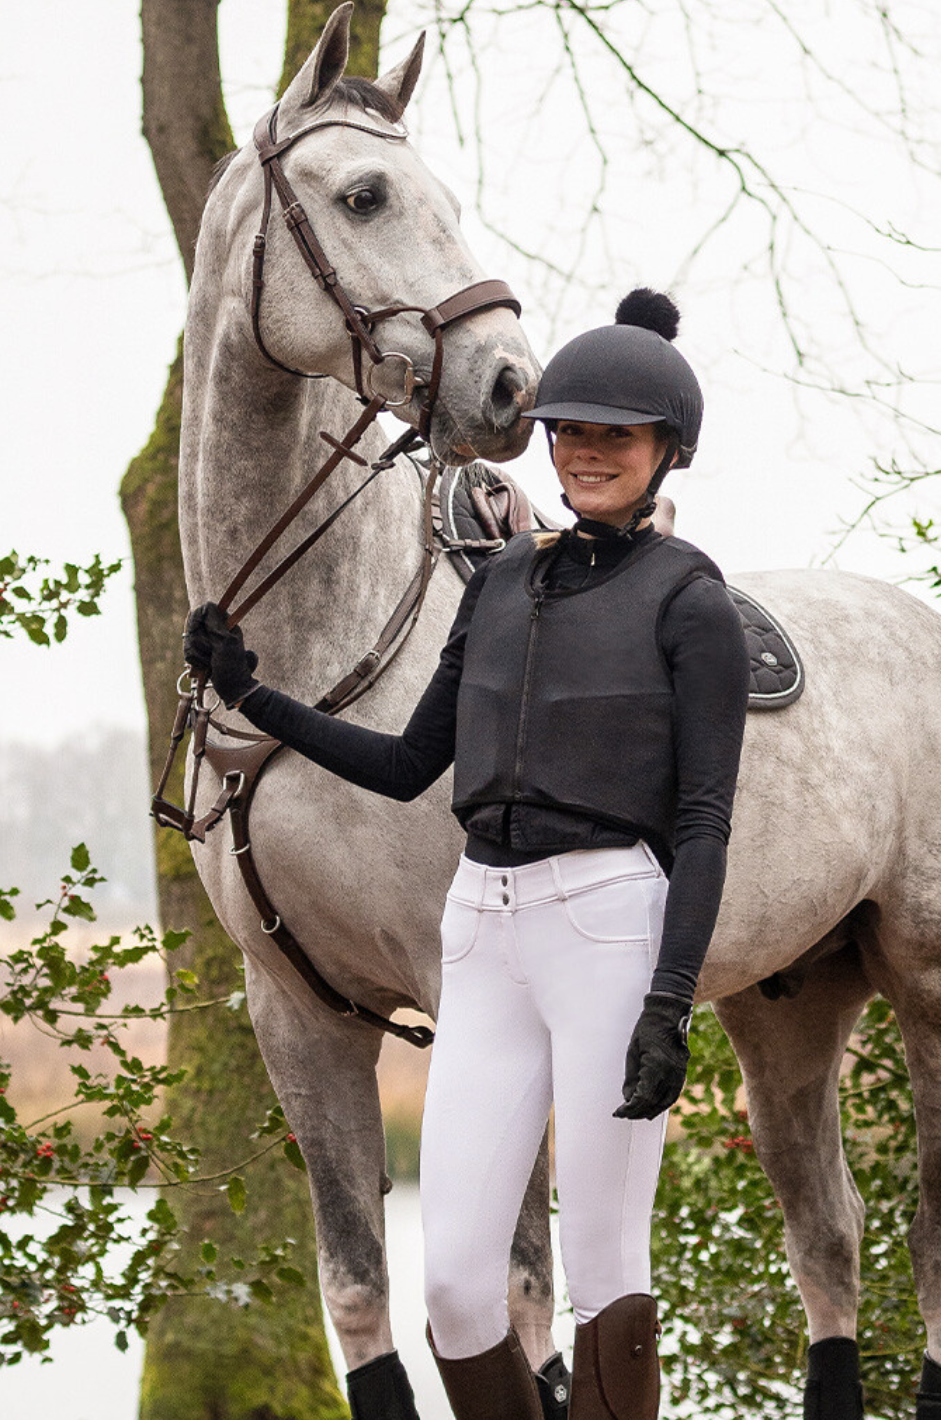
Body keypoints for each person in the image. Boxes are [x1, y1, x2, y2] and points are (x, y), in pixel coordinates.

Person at [184, 289, 749, 1420]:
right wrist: (254, 695)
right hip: (481, 924)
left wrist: (668, 1003)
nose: (585, 454)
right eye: (570, 432)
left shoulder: (690, 603)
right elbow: (405, 763)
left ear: (663, 452)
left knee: (603, 1272)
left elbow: (702, 821)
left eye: (614, 437)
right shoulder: (497, 582)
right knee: (450, 1281)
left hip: (608, 926)